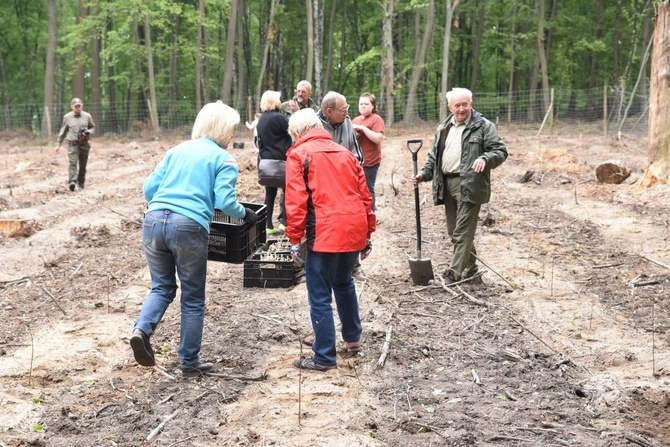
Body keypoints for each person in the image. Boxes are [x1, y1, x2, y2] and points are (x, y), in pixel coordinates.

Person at [130, 101, 258, 378]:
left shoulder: (176, 151)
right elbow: (225, 202)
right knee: (192, 297)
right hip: (187, 227)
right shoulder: (224, 159)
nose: (232, 136)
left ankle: (141, 330)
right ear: (222, 129)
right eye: (232, 130)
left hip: (152, 221)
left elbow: (149, 188)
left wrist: (166, 206)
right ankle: (189, 362)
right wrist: (245, 214)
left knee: (162, 287)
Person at [284, 108, 375, 371]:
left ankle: (323, 356)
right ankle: (353, 339)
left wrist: (293, 239)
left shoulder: (298, 155)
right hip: (352, 227)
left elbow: (295, 201)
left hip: (324, 231)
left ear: (297, 132)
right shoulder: (346, 154)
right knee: (344, 281)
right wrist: (367, 233)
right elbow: (365, 196)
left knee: (320, 293)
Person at [412, 88, 508, 285]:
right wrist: (423, 174)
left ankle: (452, 275)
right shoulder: (444, 128)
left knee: (462, 232)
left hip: (471, 183)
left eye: (465, 104)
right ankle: (472, 271)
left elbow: (500, 151)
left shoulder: (483, 126)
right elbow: (434, 157)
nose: (462, 108)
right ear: (450, 107)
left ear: (471, 104)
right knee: (454, 231)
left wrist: (485, 158)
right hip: (446, 185)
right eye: (457, 105)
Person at [317, 91, 367, 281]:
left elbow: (357, 153)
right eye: (343, 109)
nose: (347, 112)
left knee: (351, 224)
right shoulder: (314, 125)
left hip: (346, 183)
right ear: (329, 111)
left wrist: (348, 166)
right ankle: (321, 268)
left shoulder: (346, 122)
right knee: (326, 225)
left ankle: (354, 266)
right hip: (324, 186)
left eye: (347, 108)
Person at [257, 90, 292, 235]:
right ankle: (284, 222)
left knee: (269, 194)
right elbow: (294, 128)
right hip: (282, 161)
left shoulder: (261, 120)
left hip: (266, 163)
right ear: (273, 101)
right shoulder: (279, 118)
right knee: (288, 192)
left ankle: (268, 225)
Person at [352, 93, 385, 211]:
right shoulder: (355, 120)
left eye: (366, 104)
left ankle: (371, 213)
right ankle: (360, 212)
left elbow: (378, 138)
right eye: (361, 104)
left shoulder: (376, 119)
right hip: (356, 161)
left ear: (373, 106)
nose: (363, 106)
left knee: (368, 188)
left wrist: (364, 129)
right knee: (356, 189)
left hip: (370, 161)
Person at [55, 97, 96, 191]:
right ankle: (72, 182)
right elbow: (63, 131)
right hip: (73, 144)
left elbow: (93, 127)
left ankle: (81, 182)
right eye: (76, 106)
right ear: (72, 107)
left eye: (79, 106)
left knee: (83, 165)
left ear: (82, 106)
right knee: (73, 163)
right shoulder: (67, 117)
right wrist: (58, 144)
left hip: (84, 143)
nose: (78, 108)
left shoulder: (87, 116)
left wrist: (89, 131)